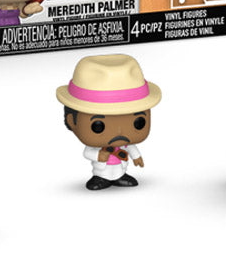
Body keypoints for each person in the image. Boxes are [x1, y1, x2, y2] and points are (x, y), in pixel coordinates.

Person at [57, 53, 162, 190]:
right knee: (101, 177)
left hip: (120, 168)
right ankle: (101, 179)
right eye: (98, 126)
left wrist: (136, 156)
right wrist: (99, 155)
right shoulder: (97, 146)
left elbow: (131, 147)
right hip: (101, 171)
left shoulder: (125, 144)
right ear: (72, 121)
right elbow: (87, 153)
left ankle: (120, 177)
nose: (119, 131)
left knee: (120, 173)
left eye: (138, 122)